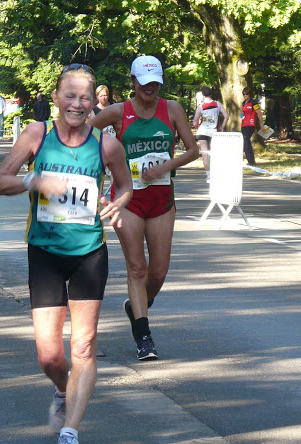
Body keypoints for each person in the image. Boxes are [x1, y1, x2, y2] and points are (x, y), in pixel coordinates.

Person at [0, 63, 132, 444]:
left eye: (84, 97)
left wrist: (118, 203)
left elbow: (125, 187)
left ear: (93, 101)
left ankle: (69, 433)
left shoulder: (107, 145)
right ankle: (61, 387)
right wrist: (33, 181)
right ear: (55, 98)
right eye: (69, 95)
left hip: (89, 253)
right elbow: (0, 182)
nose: (77, 103)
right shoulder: (37, 136)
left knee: (84, 345)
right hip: (46, 254)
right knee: (50, 356)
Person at [89, 55, 199, 361]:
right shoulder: (117, 111)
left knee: (159, 270)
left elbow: (193, 150)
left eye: (155, 83)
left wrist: (166, 164)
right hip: (128, 200)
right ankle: (144, 335)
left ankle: (135, 307)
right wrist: (102, 169)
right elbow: (84, 135)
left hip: (162, 199)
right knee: (137, 267)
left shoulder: (172, 109)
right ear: (133, 82)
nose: (150, 88)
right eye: (144, 82)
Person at [193, 86, 229, 181]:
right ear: (211, 94)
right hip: (214, 132)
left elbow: (195, 122)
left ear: (203, 95)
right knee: (215, 153)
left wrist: (198, 127)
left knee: (205, 154)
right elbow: (226, 116)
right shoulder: (218, 104)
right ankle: (216, 173)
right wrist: (222, 127)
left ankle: (208, 175)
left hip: (203, 131)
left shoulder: (201, 106)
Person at [241, 86, 266, 167]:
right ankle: (250, 160)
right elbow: (242, 113)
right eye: (243, 94)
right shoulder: (243, 103)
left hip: (250, 124)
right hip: (244, 124)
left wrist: (261, 125)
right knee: (245, 142)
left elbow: (259, 113)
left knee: (246, 141)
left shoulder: (253, 103)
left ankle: (251, 161)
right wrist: (242, 117)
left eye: (246, 94)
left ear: (249, 94)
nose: (245, 95)